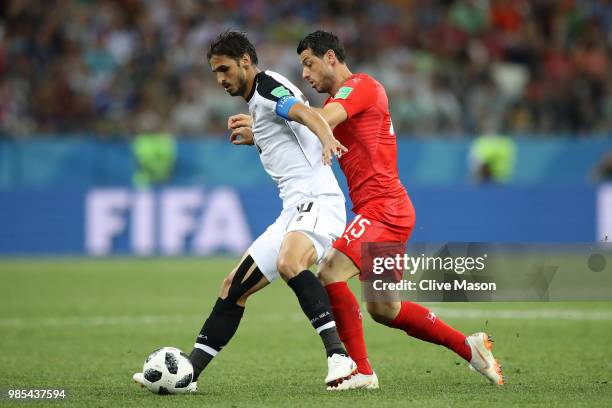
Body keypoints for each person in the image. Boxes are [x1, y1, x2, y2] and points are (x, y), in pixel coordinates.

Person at [230, 30, 504, 390]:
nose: (305, 75)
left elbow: (320, 120)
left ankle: (360, 370)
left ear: (331, 57)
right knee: (384, 309)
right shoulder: (338, 103)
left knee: (329, 272)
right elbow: (307, 137)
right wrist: (262, 134)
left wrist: (266, 119)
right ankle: (470, 349)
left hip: (383, 209)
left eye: (309, 64)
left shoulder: (360, 87)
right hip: (385, 210)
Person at [133, 31, 356, 392]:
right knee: (232, 288)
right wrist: (260, 135)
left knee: (290, 262)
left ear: (246, 62)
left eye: (225, 69)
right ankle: (188, 374)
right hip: (293, 211)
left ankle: (338, 357)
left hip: (319, 202)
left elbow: (300, 112)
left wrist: (326, 134)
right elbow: (286, 127)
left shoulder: (267, 86)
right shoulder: (258, 100)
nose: (221, 79)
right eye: (215, 72)